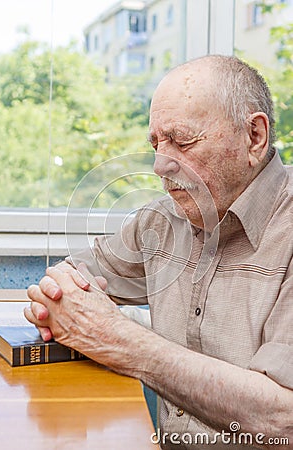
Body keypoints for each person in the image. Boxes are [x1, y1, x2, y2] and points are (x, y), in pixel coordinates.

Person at [25, 55, 293, 449]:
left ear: (254, 136)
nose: (159, 165)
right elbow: (65, 282)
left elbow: (284, 419)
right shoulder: (161, 221)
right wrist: (57, 301)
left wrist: (124, 342)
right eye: (155, 144)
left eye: (182, 141)